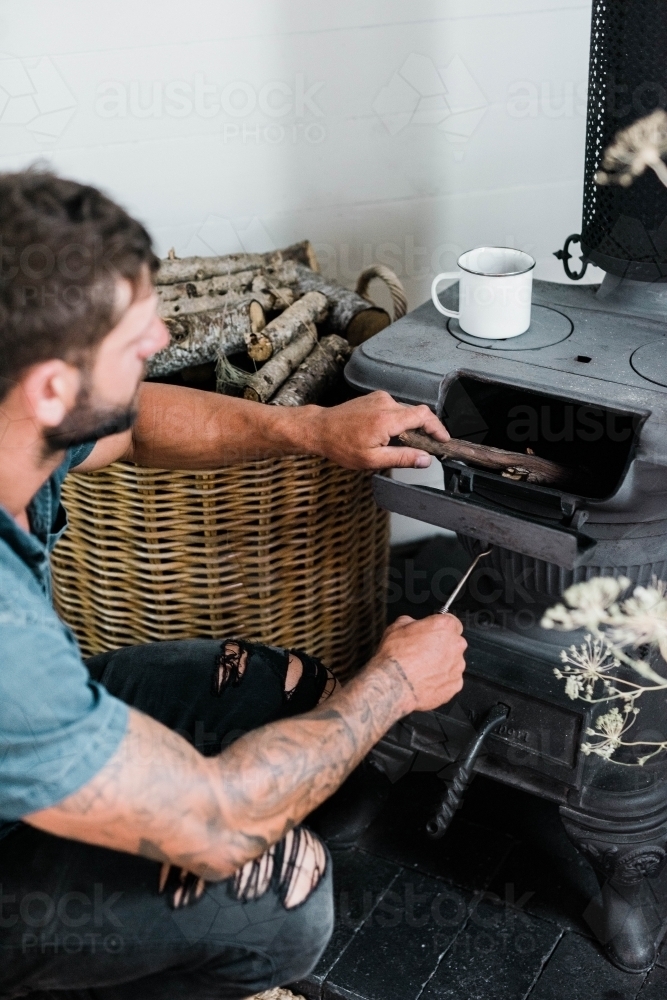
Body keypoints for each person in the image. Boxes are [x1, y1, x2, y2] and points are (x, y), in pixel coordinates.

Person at [0, 170, 467, 1000]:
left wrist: (312, 429)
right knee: (277, 897)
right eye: (135, 336)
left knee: (289, 689)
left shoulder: (21, 420)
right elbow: (217, 830)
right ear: (52, 388)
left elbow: (135, 421)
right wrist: (392, 684)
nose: (161, 339)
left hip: (24, 739)